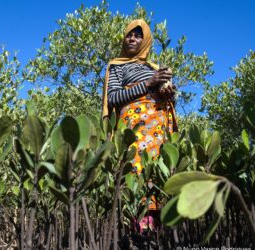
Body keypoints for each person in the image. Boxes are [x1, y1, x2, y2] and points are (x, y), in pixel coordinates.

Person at [102, 19, 178, 233]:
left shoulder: (154, 68)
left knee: (160, 175)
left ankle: (159, 235)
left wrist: (168, 92)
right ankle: (138, 233)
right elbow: (114, 98)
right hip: (135, 128)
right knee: (137, 174)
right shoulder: (117, 66)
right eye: (129, 35)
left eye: (138, 35)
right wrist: (149, 83)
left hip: (158, 129)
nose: (133, 39)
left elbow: (168, 99)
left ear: (145, 41)